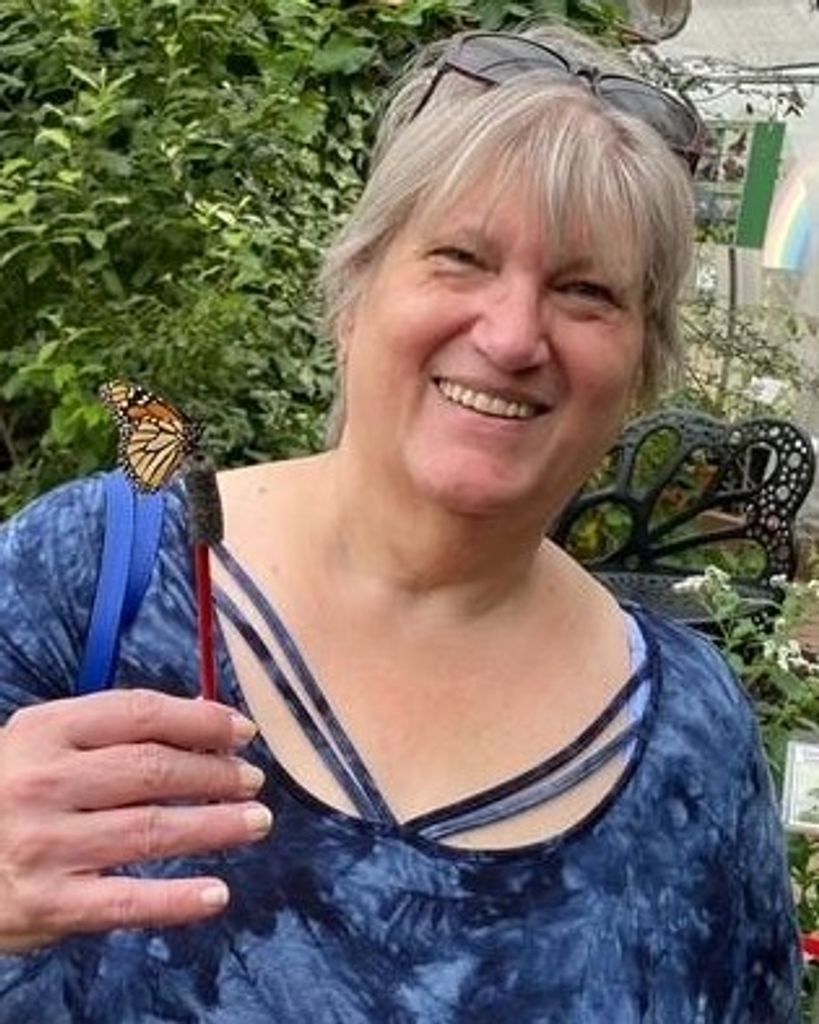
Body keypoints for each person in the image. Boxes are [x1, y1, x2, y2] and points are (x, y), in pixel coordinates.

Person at [0, 23, 801, 1024]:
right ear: (354, 293)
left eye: (584, 291)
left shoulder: (691, 737)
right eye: (461, 258)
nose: (512, 335)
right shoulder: (91, 579)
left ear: (639, 366)